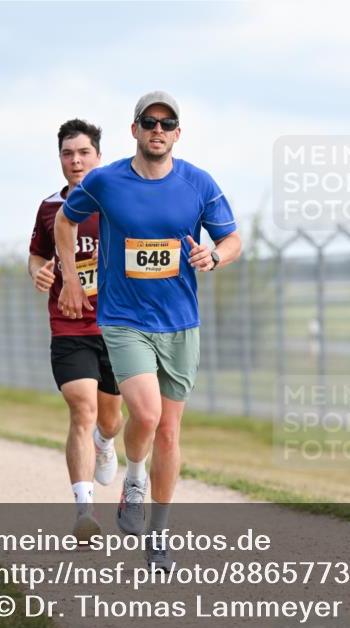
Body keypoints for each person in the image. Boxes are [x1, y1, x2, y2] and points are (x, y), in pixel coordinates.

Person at [54, 92, 241, 570]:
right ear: (134, 129)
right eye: (149, 122)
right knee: (147, 412)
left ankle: (157, 534)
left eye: (167, 123)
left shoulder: (198, 183)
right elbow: (64, 220)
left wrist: (214, 255)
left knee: (170, 434)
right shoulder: (105, 180)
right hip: (124, 319)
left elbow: (232, 239)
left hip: (180, 322)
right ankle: (134, 475)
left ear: (177, 133)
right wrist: (71, 277)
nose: (158, 130)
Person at [28, 118, 123, 540]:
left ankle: (106, 442)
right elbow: (36, 255)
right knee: (82, 409)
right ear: (60, 160)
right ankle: (85, 511)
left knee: (111, 419)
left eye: (84, 152)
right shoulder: (49, 208)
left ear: (99, 157)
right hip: (69, 323)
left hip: (117, 325)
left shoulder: (117, 202)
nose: (76, 160)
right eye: (68, 154)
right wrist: (39, 272)